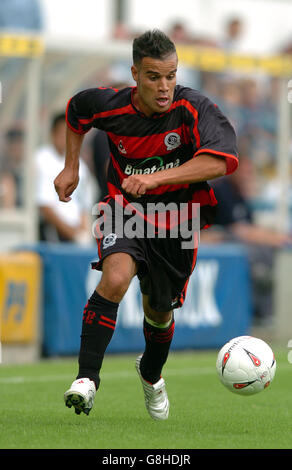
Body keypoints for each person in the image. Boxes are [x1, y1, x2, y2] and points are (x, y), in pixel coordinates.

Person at [54, 29, 238, 420]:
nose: (165, 86)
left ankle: (151, 374)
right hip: (124, 209)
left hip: (177, 223)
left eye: (171, 76)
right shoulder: (111, 105)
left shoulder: (193, 107)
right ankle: (87, 379)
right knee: (116, 278)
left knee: (158, 312)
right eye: (154, 76)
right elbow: (76, 112)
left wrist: (156, 178)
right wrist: (71, 167)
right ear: (135, 74)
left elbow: (220, 162)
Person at [35, 113, 93, 243]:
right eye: (62, 134)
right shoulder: (41, 159)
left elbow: (85, 204)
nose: (65, 139)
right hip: (51, 234)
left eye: (69, 134)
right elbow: (43, 205)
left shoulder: (81, 165)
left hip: (77, 236)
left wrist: (82, 233)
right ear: (52, 134)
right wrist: (73, 234)